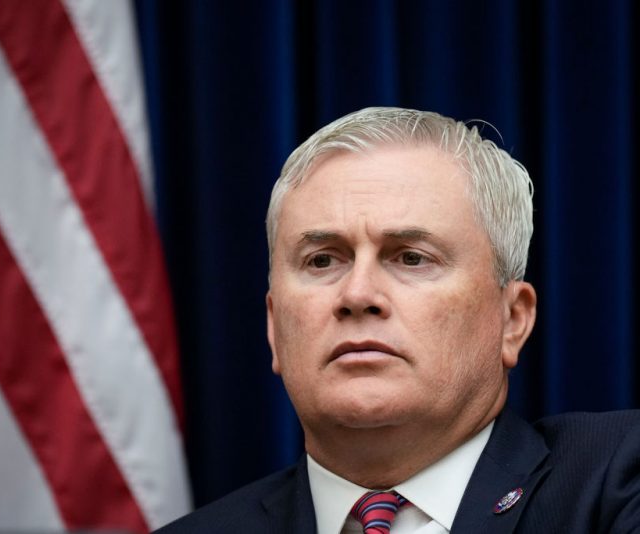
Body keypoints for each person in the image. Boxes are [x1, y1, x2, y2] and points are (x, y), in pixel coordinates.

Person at [155, 107, 640, 533]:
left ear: (512, 320)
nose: (358, 294)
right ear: (274, 326)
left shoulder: (617, 483)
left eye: (411, 258)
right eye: (322, 260)